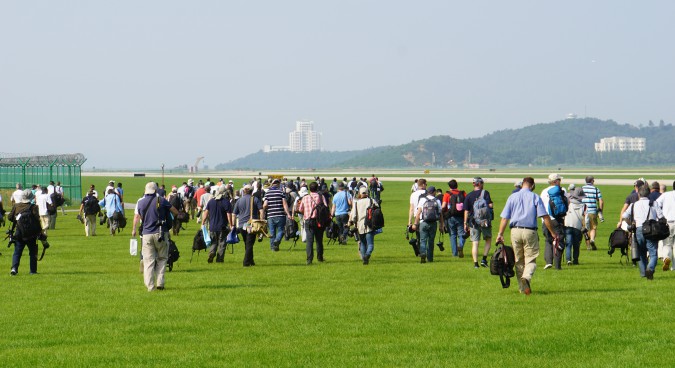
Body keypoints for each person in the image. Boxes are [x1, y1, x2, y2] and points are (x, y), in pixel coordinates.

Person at [496, 177, 557, 295]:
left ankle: (522, 289)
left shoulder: (512, 197)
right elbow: (545, 216)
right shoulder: (535, 197)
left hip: (515, 231)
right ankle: (527, 277)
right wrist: (553, 233)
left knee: (518, 260)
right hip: (530, 231)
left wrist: (500, 234)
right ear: (532, 185)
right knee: (531, 259)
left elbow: (504, 218)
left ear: (522, 184)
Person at [132, 182, 179, 291]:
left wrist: (134, 229)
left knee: (148, 260)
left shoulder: (140, 202)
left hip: (146, 234)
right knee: (162, 258)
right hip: (160, 233)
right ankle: (160, 283)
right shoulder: (161, 201)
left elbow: (138, 216)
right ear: (155, 190)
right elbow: (175, 211)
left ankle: (150, 286)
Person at [622, 185, 663, 280]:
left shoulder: (633, 205)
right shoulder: (654, 203)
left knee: (641, 253)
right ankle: (650, 268)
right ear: (649, 193)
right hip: (651, 229)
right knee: (653, 253)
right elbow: (661, 217)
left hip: (638, 229)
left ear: (638, 194)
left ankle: (643, 273)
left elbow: (624, 215)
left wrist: (630, 223)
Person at [8, 189, 42, 276]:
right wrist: (40, 232)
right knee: (33, 253)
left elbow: (10, 217)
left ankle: (14, 268)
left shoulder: (17, 206)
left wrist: (17, 219)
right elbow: (37, 220)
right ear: (31, 197)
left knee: (17, 252)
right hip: (31, 234)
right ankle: (32, 271)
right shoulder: (34, 207)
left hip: (19, 232)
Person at [463, 177, 494, 268]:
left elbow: (466, 211)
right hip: (485, 221)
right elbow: (490, 205)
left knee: (475, 243)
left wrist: (465, 223)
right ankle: (484, 259)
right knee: (488, 239)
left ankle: (476, 264)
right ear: (480, 184)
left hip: (473, 222)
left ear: (473, 184)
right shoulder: (485, 193)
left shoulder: (468, 195)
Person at [540, 173, 567, 270]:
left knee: (548, 240)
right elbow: (566, 203)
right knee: (558, 240)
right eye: (559, 180)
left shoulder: (543, 191)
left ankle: (548, 262)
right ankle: (557, 265)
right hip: (557, 219)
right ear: (556, 181)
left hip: (545, 219)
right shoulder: (562, 190)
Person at [298, 181, 329, 265]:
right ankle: (320, 257)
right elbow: (326, 207)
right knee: (319, 240)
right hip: (319, 220)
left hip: (308, 220)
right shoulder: (321, 196)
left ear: (309, 189)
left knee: (309, 241)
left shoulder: (305, 197)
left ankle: (309, 259)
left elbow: (300, 209)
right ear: (317, 188)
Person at [233, 184, 264, 267]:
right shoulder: (255, 199)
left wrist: (232, 225)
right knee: (250, 243)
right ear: (252, 191)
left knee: (247, 243)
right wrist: (261, 221)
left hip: (241, 225)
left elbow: (234, 214)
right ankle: (246, 262)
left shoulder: (239, 200)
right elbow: (261, 210)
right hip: (251, 225)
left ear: (244, 191)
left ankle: (251, 260)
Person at [202, 185, 234, 263]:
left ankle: (212, 252)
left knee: (213, 242)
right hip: (222, 226)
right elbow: (228, 214)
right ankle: (219, 259)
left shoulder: (211, 201)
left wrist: (203, 222)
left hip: (212, 226)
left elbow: (205, 213)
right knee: (222, 243)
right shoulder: (226, 202)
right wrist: (231, 225)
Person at [412, 185, 444, 263]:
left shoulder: (422, 200)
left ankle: (423, 253)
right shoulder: (437, 200)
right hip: (433, 223)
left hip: (423, 222)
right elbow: (440, 214)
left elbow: (418, 213)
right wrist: (441, 225)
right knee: (431, 241)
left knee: (423, 240)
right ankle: (430, 258)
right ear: (434, 192)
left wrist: (415, 224)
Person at [349, 186, 380, 264]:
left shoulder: (356, 203)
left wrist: (353, 224)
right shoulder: (371, 200)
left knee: (362, 243)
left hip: (360, 226)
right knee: (370, 244)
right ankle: (367, 255)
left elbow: (354, 216)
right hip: (370, 225)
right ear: (367, 193)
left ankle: (364, 259)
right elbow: (377, 210)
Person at [263, 179, 291, 252]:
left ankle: (273, 248)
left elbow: (265, 205)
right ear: (278, 184)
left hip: (270, 216)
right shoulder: (281, 192)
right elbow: (284, 204)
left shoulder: (268, 193)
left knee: (272, 232)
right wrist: (288, 214)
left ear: (272, 184)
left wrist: (265, 210)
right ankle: (277, 240)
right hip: (280, 215)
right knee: (281, 230)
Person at [442, 179, 466, 258]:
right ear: (457, 185)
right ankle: (461, 245)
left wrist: (442, 215)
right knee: (462, 233)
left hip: (451, 216)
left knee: (452, 235)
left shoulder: (447, 194)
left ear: (449, 186)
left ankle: (454, 253)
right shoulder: (463, 193)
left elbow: (444, 206)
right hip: (461, 216)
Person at [655, 181, 675, 271]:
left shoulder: (666, 195)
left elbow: (656, 204)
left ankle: (667, 257)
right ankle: (674, 267)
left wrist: (660, 216)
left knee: (667, 243)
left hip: (668, 222)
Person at [564, 187, 586, 266]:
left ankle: (568, 259)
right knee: (576, 245)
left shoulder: (569, 203)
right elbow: (585, 217)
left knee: (568, 244)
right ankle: (575, 259)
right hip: (578, 227)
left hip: (568, 225)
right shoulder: (583, 206)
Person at [581, 176, 604, 250]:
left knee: (585, 229)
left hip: (584, 212)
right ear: (592, 181)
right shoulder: (596, 189)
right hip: (593, 211)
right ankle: (592, 240)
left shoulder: (581, 189)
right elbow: (601, 201)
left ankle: (588, 246)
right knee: (593, 228)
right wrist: (600, 210)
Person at [408, 179, 428, 256]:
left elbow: (412, 209)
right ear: (423, 185)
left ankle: (421, 251)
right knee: (428, 236)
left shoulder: (413, 194)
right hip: (428, 217)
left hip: (417, 217)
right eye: (426, 184)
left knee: (419, 236)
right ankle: (427, 252)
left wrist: (409, 221)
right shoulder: (428, 193)